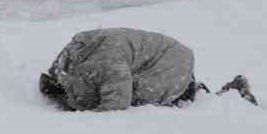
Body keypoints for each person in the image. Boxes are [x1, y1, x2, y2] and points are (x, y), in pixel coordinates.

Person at [39, 29, 207, 111]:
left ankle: (192, 92)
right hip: (169, 53)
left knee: (141, 94)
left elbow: (117, 105)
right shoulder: (75, 56)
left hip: (173, 63)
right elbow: (55, 71)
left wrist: (88, 115)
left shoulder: (107, 66)